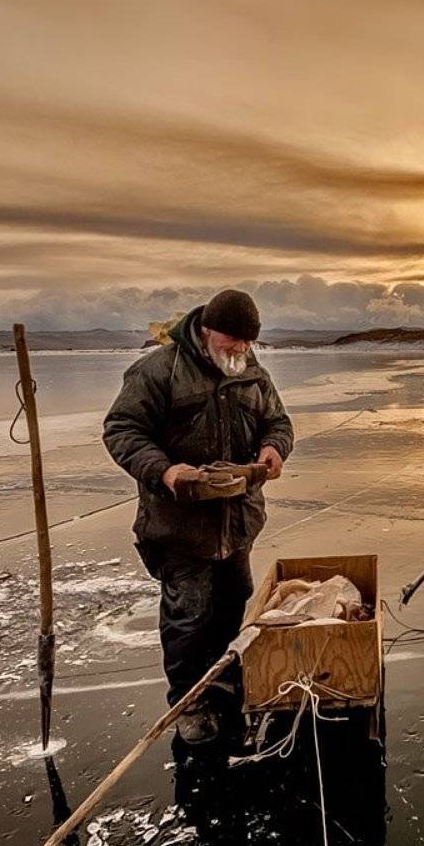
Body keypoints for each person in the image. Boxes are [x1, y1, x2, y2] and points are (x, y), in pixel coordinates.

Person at [103, 289, 294, 743]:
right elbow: (122, 430)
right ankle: (189, 704)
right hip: (179, 526)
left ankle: (223, 683)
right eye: (233, 341)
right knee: (188, 616)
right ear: (207, 330)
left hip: (237, 521)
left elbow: (278, 422)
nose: (240, 351)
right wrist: (165, 471)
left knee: (232, 601)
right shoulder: (158, 371)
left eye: (248, 343)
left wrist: (274, 448)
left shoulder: (252, 374)